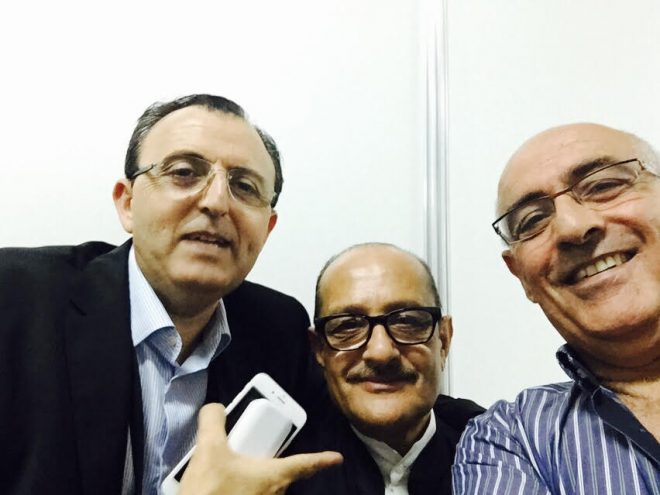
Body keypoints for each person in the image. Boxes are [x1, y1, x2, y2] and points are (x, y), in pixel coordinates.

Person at [0, 94, 336, 495]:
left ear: (268, 227)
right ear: (127, 204)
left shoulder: (280, 330)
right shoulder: (14, 299)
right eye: (184, 172)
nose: (217, 202)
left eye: (244, 186)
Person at [453, 123, 660, 494]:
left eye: (603, 185)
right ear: (521, 276)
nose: (572, 227)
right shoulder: (511, 438)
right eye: (532, 220)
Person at [282, 243, 484, 495]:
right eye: (348, 326)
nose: (381, 352)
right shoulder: (279, 472)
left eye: (407, 321)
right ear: (319, 350)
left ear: (443, 340)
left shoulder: (499, 453)